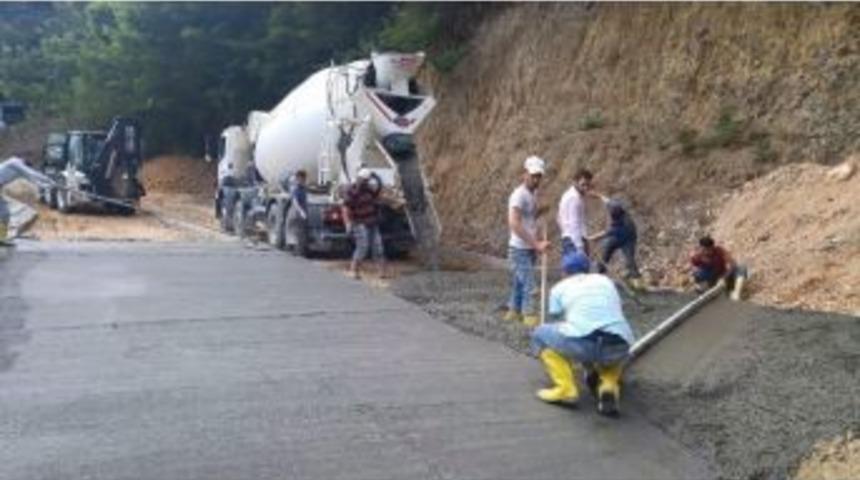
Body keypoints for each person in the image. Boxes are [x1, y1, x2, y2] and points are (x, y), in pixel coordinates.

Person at [530, 251, 635, 416]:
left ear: (564, 271)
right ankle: (608, 385)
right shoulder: (605, 280)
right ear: (588, 268)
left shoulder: (559, 288)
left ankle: (565, 388)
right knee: (612, 339)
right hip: (620, 344)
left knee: (540, 334)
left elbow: (557, 315)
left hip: (583, 344)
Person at [504, 156, 551, 327]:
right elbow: (514, 223)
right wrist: (537, 244)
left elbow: (528, 218)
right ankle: (529, 315)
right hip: (519, 249)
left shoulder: (532, 194)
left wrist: (540, 211)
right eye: (533, 175)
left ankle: (513, 311)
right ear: (525, 174)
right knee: (531, 285)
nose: (536, 179)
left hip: (528, 247)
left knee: (520, 281)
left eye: (539, 176)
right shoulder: (518, 195)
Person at [587, 196, 644, 289]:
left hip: (628, 240)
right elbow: (605, 199)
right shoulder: (615, 206)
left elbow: (604, 234)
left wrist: (590, 238)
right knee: (605, 254)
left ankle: (637, 281)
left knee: (630, 260)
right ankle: (599, 274)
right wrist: (595, 195)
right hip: (616, 238)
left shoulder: (622, 224)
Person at [342, 167, 386, 279]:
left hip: (372, 221)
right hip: (359, 222)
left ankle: (381, 272)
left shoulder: (369, 189)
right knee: (363, 246)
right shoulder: (351, 191)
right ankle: (354, 270)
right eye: (364, 180)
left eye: (367, 180)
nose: (365, 182)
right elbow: (345, 207)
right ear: (358, 179)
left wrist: (375, 176)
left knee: (378, 247)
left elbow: (379, 188)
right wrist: (348, 223)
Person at [0, 157, 54, 243]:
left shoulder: (18, 170)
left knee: (4, 214)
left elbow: (32, 179)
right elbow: (31, 173)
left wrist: (48, 185)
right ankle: (1, 238)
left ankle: (1, 238)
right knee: (4, 213)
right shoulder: (14, 162)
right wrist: (48, 179)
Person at [689, 235, 748, 300]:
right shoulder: (696, 256)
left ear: (713, 247)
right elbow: (694, 270)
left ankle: (736, 294)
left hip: (723, 275)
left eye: (708, 250)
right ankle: (707, 291)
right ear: (700, 248)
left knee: (741, 268)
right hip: (711, 278)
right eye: (703, 250)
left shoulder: (719, 251)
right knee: (697, 276)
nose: (706, 252)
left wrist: (724, 277)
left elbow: (733, 264)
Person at [557, 168, 594, 256]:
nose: (586, 188)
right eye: (583, 184)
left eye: (588, 185)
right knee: (579, 268)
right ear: (575, 182)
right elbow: (575, 223)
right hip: (575, 240)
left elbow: (558, 218)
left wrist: (565, 231)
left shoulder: (567, 195)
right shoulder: (575, 198)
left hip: (568, 238)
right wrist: (579, 247)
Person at [284, 169, 309, 253]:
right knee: (294, 229)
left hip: (299, 211)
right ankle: (293, 248)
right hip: (296, 211)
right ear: (298, 178)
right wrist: (301, 211)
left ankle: (296, 249)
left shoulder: (303, 188)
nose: (303, 180)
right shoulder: (296, 188)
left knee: (298, 231)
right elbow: (295, 201)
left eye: (304, 179)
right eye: (302, 178)